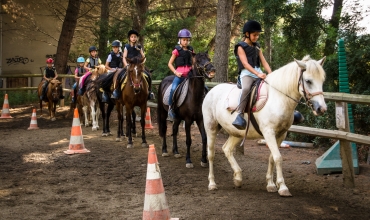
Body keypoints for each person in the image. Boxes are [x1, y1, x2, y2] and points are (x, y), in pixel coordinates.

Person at [232, 20, 272, 130]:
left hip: (258, 71)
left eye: (258, 35)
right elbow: (245, 63)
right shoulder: (240, 47)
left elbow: (264, 61)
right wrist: (258, 74)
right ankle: (239, 114)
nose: (256, 37)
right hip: (247, 73)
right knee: (246, 89)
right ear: (247, 34)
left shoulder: (257, 46)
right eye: (254, 35)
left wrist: (271, 73)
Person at [112, 29, 154, 100]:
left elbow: (144, 57)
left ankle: (149, 91)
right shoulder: (127, 46)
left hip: (138, 66)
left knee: (148, 75)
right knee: (119, 75)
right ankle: (116, 91)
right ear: (129, 38)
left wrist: (141, 63)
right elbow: (124, 58)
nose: (133, 38)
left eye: (135, 37)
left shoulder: (139, 47)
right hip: (129, 66)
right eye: (132, 37)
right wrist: (126, 65)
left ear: (137, 38)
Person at [167, 28, 194, 121]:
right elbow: (169, 63)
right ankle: (170, 108)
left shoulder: (191, 50)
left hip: (190, 75)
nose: (186, 42)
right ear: (180, 40)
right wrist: (175, 72)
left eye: (187, 40)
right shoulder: (176, 50)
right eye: (184, 40)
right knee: (173, 88)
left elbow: (193, 62)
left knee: (204, 87)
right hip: (180, 76)